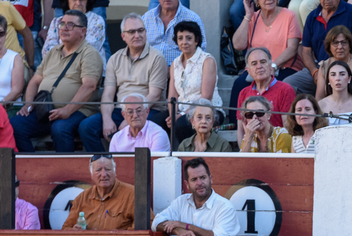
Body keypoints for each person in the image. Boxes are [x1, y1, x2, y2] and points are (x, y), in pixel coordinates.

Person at [11, 10, 103, 152]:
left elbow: (89, 86)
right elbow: (35, 81)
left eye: (71, 25)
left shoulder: (90, 54)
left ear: (83, 31)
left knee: (60, 128)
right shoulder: (53, 52)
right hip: (46, 110)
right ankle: (32, 168)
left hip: (78, 111)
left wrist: (67, 110)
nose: (64, 28)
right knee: (15, 124)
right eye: (62, 24)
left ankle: (65, 172)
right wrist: (29, 104)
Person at [81, 13, 169, 152]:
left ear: (146, 33)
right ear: (123, 36)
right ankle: (105, 162)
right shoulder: (115, 59)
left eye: (140, 30)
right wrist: (107, 119)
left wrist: (130, 118)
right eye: (131, 32)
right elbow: (108, 95)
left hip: (149, 109)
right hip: (121, 110)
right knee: (86, 127)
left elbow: (154, 95)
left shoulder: (157, 57)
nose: (137, 35)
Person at [230, 0, 302, 115]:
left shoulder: (289, 15)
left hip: (284, 67)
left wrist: (272, 67)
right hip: (258, 68)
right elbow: (238, 45)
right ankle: (236, 128)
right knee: (239, 84)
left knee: (277, 85)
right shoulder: (253, 18)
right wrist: (247, 16)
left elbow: (292, 48)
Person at [153, 157, 240, 236]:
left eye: (203, 178)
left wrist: (185, 226)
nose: (199, 183)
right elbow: (156, 223)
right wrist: (178, 230)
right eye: (194, 179)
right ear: (187, 184)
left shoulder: (225, 207)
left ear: (210, 179)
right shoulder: (181, 202)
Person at [167, 20, 222, 144]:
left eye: (188, 38)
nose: (184, 42)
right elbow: (172, 96)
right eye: (180, 38)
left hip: (207, 110)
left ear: (196, 40)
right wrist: (172, 115)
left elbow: (206, 97)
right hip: (181, 110)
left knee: (181, 125)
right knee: (156, 121)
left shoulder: (207, 60)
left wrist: (180, 116)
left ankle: (188, 157)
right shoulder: (175, 63)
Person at [62, 155, 144, 230]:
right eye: (98, 170)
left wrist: (122, 235)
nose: (104, 174)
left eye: (108, 169)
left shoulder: (132, 194)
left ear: (115, 172)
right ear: (92, 175)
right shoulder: (82, 198)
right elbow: (65, 229)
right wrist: (74, 231)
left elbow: (145, 225)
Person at [144, 0, 207, 67]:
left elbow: (200, 54)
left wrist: (174, 71)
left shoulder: (192, 19)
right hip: (149, 75)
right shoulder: (146, 18)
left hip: (181, 76)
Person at [41, 0, 108, 64]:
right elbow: (47, 51)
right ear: (66, 0)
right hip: (59, 70)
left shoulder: (96, 21)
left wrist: (62, 53)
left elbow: (90, 48)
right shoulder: (57, 21)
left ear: (88, 1)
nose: (78, 3)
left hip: (88, 69)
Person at [236, 47, 296, 127]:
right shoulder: (244, 93)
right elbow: (241, 129)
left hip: (278, 139)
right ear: (248, 71)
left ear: (271, 66)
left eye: (263, 62)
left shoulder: (285, 90)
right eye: (254, 63)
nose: (259, 66)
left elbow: (288, 128)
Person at [314, 25, 352, 99]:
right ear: (329, 46)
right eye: (335, 43)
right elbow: (319, 98)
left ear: (350, 45)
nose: (340, 47)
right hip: (329, 108)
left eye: (344, 42)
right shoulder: (325, 65)